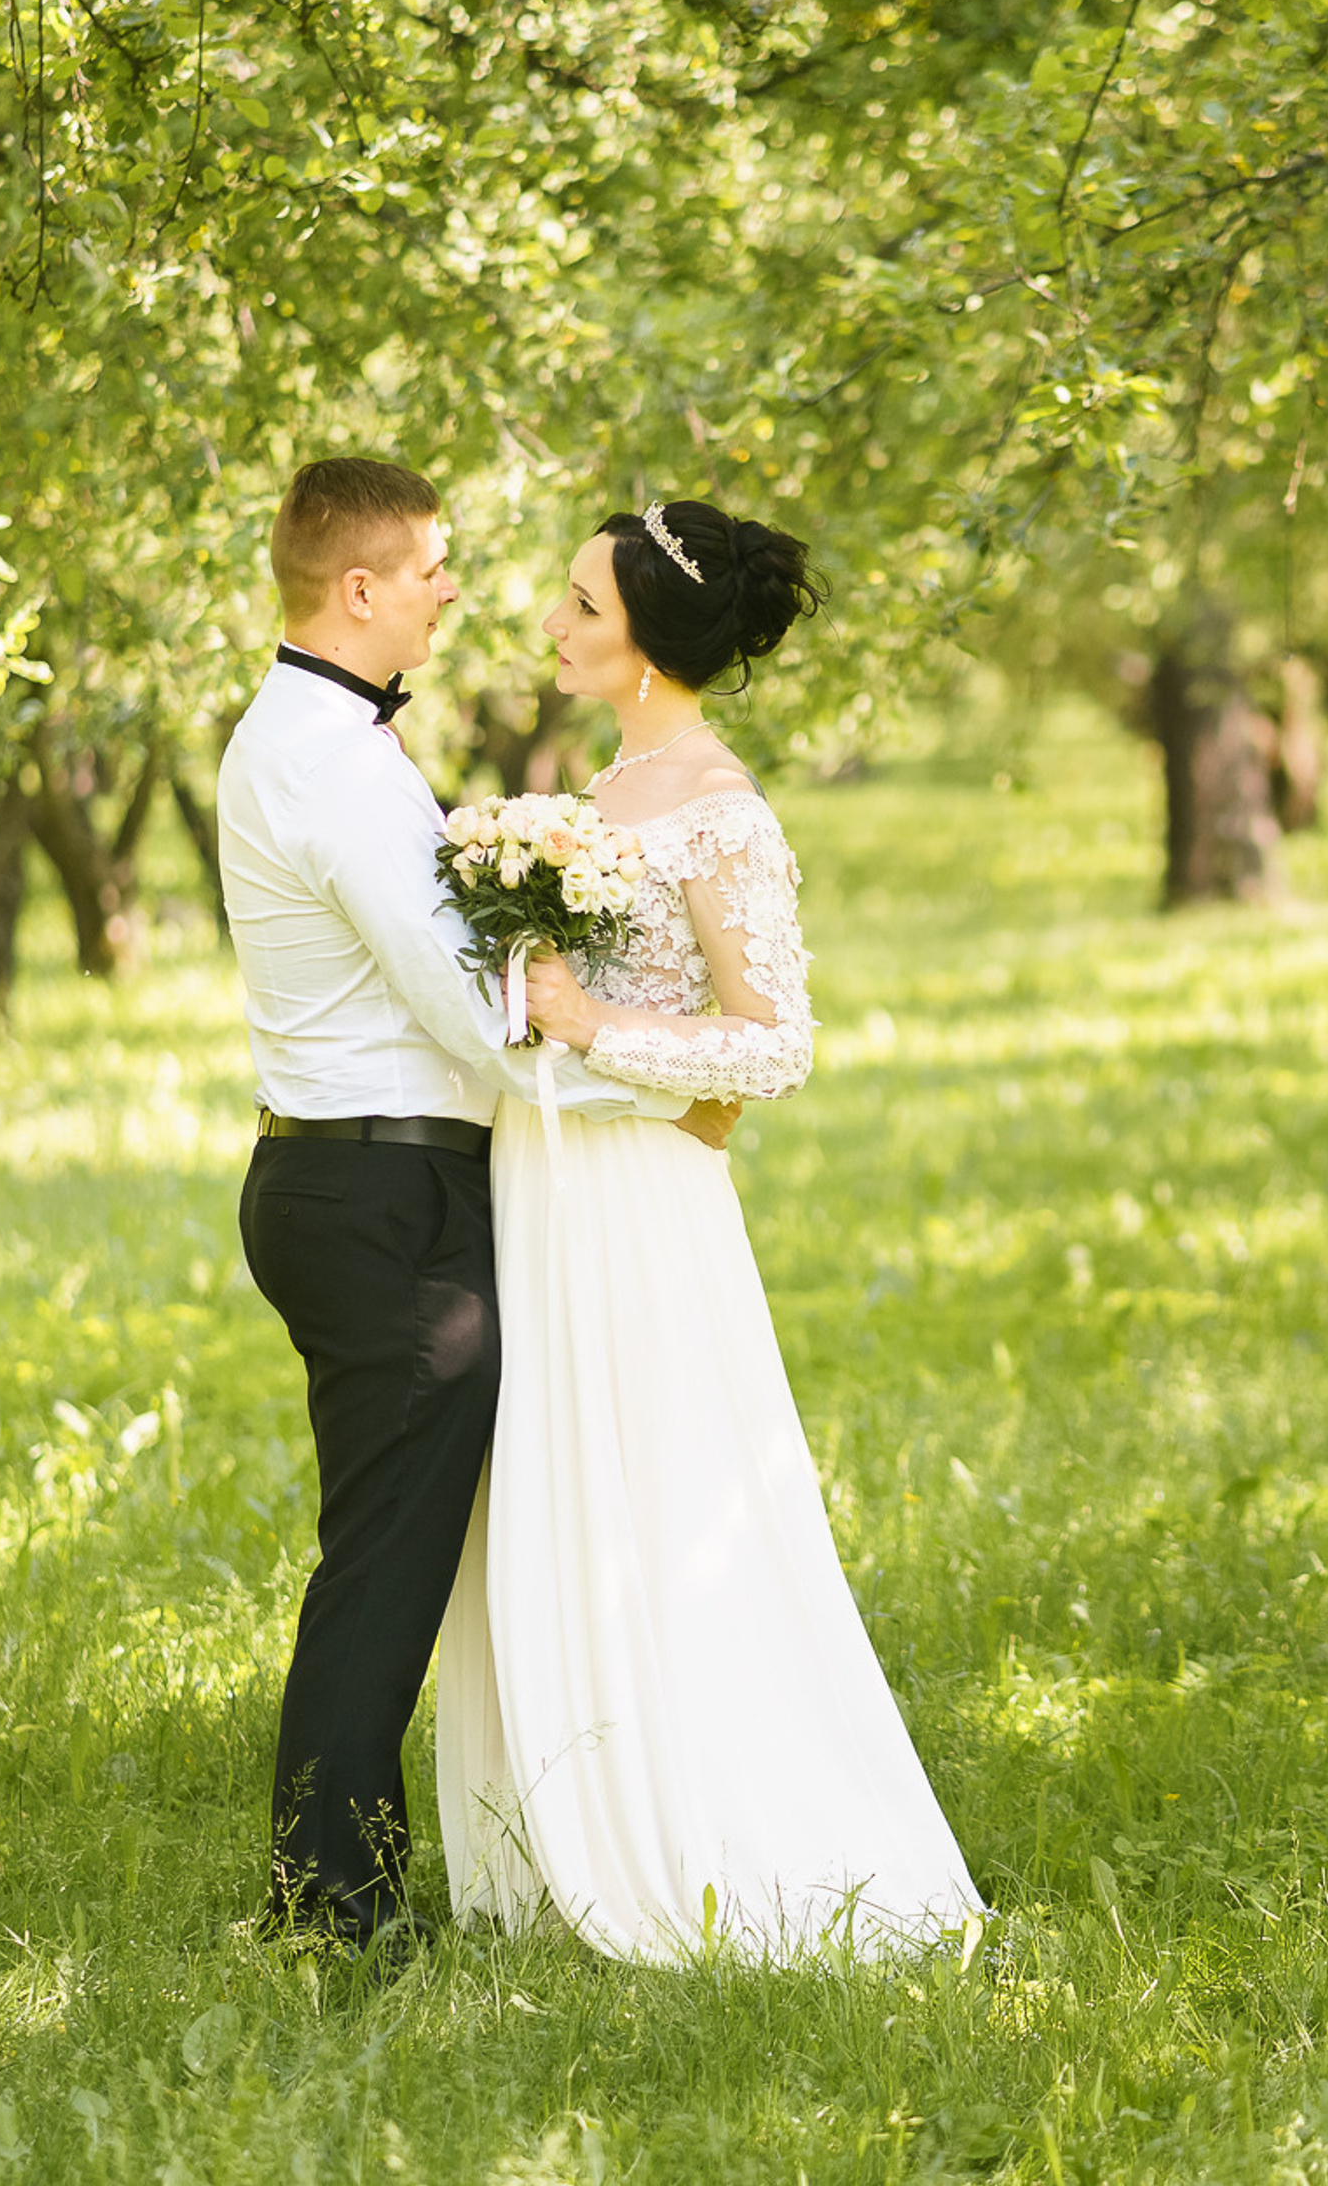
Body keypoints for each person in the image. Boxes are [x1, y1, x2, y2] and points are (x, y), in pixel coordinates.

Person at [434, 498, 984, 1961]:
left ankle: (696, 1828)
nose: (551, 623)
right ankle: (551, 1826)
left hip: (640, 1204)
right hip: (536, 1179)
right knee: (549, 1486)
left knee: (656, 1495)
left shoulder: (720, 811)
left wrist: (591, 1020)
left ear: (650, 646)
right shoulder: (588, 796)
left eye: (580, 609)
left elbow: (775, 1045)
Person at [217, 457, 733, 1963]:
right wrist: (642, 1078)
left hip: (366, 1177)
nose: (454, 587)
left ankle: (362, 1878)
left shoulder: (328, 739)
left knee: (392, 1545)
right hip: (384, 1192)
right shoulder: (324, 757)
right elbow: (460, 1007)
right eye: (431, 566)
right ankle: (334, 1907)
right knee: (383, 1556)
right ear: (358, 589)